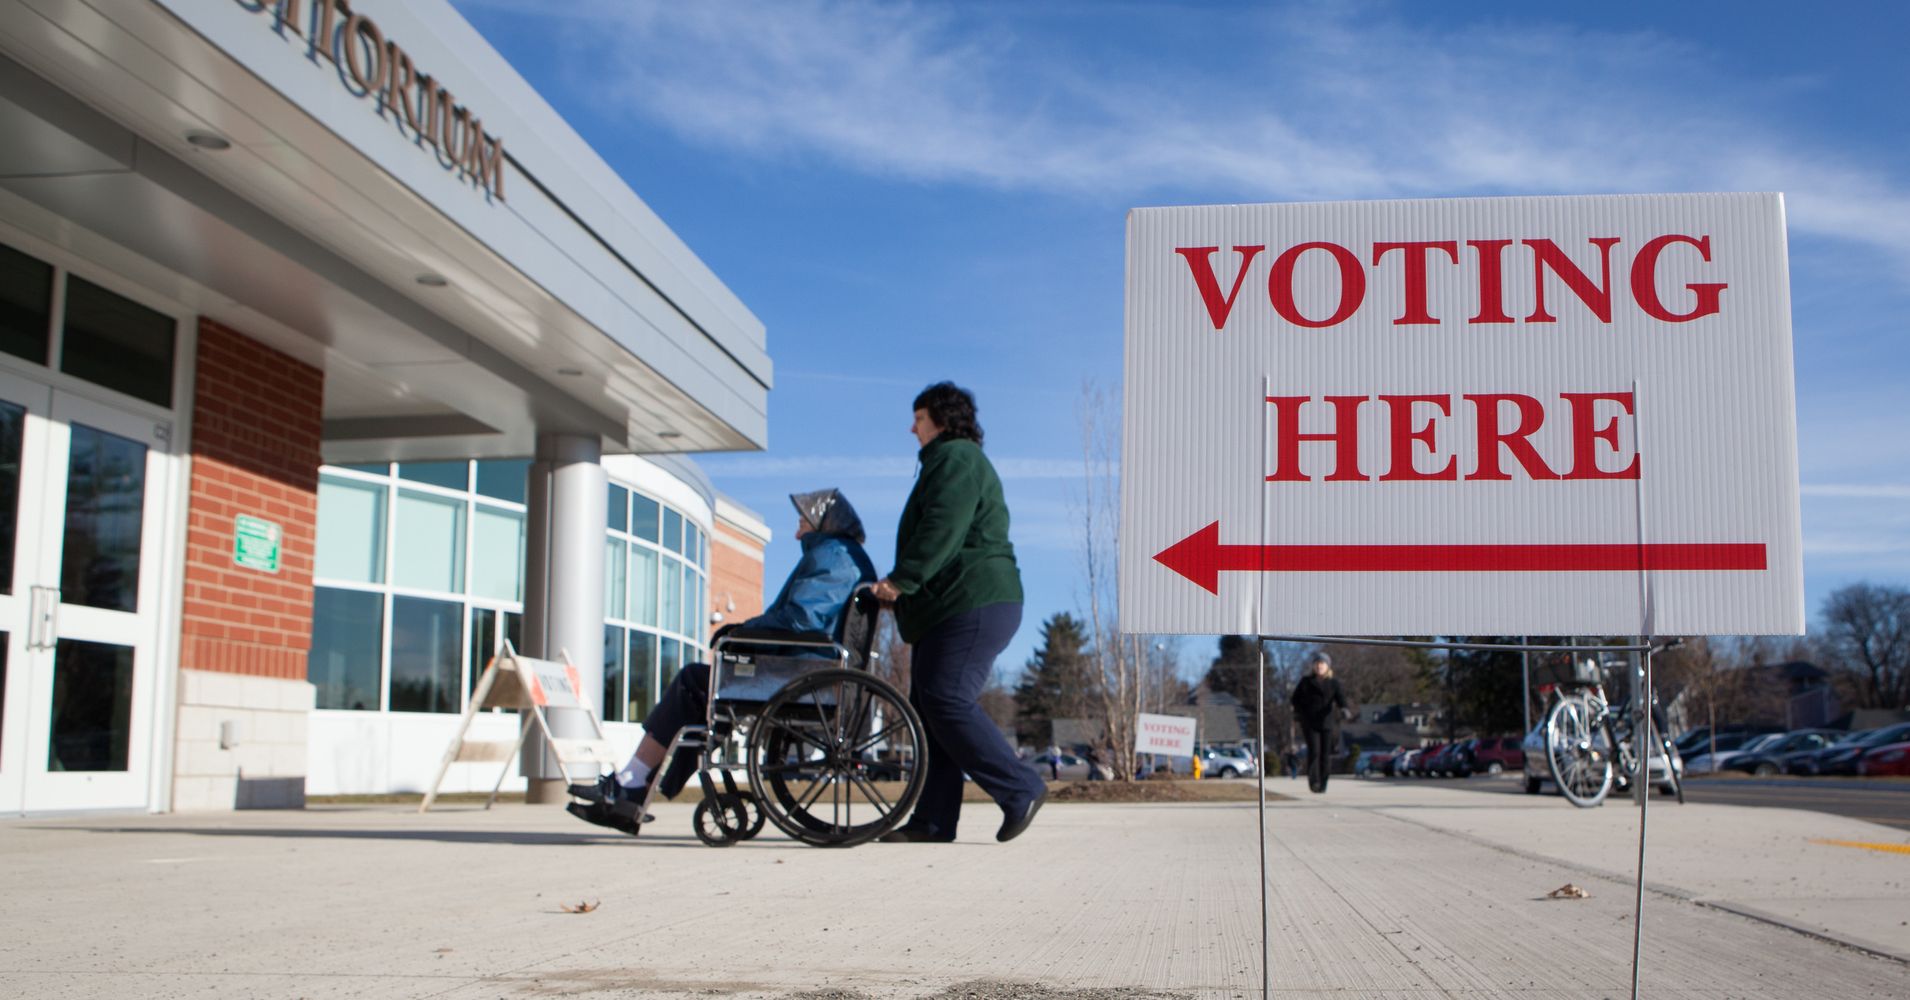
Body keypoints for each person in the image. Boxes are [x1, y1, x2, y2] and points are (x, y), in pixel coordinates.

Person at [566, 489, 876, 834]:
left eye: (802, 522)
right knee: (705, 688)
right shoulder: (842, 556)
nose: (796, 532)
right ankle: (632, 790)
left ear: (823, 521)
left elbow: (802, 618)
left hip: (803, 671)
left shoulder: (832, 556)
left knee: (693, 682)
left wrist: (745, 631)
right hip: (808, 668)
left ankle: (632, 784)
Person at [870, 382, 1046, 844]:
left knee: (946, 698)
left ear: (943, 420)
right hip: (951, 606)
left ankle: (1021, 786)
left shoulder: (957, 459)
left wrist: (900, 580)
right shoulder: (944, 463)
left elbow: (943, 526)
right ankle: (932, 820)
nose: (912, 427)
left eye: (920, 417)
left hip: (976, 600)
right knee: (930, 708)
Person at [1289, 652, 1349, 793]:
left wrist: (1344, 708)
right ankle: (1314, 780)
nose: (1319, 666)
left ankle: (1324, 782)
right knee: (1314, 751)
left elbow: (1341, 698)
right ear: (1313, 666)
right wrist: (1298, 713)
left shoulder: (1333, 683)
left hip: (1326, 722)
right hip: (1310, 723)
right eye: (1317, 663)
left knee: (1325, 754)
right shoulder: (1306, 682)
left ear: (1327, 666)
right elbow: (1295, 699)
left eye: (1322, 663)